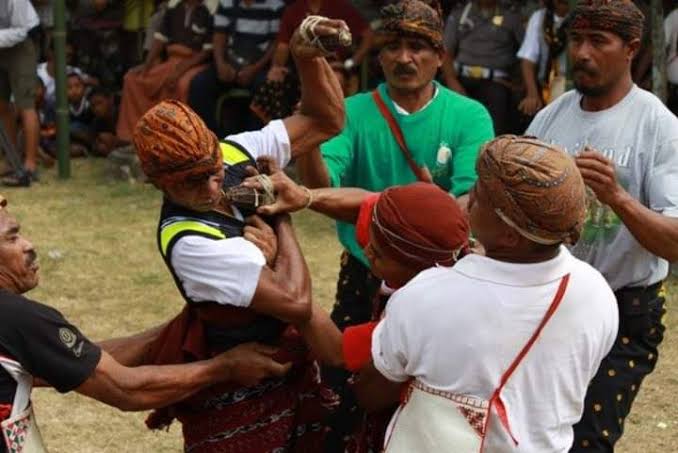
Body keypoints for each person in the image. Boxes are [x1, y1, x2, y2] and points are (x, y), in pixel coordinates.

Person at [131, 17, 346, 452]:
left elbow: (325, 120)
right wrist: (279, 213)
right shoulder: (189, 241)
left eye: (212, 172)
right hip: (237, 401)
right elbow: (296, 302)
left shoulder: (233, 151)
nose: (213, 188)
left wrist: (306, 57)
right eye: (192, 183)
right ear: (159, 183)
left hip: (292, 378)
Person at [294, 1, 493, 448]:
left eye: (419, 47)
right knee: (344, 392)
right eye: (394, 47)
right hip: (365, 274)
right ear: (379, 55)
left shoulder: (470, 116)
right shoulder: (349, 113)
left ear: (440, 56)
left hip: (443, 280)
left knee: (428, 401)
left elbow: (466, 203)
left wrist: (424, 206)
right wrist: (309, 137)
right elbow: (324, 189)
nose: (405, 58)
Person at [354, 135, 619, 452]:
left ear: (509, 236)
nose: (469, 198)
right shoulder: (597, 293)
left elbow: (372, 393)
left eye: (479, 197)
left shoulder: (427, 294)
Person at [0, 194, 291, 453]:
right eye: (12, 238)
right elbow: (125, 389)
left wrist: (194, 320)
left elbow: (74, 361)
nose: (29, 245)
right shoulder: (18, 319)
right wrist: (224, 367)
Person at [525, 1, 678, 450]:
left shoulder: (659, 127)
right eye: (576, 40)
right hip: (547, 305)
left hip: (624, 312)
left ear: (631, 48)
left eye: (598, 41)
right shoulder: (550, 118)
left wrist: (616, 196)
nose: (582, 53)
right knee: (534, 436)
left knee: (588, 441)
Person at [242, 159, 470, 451]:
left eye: (378, 253)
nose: (367, 251)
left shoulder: (424, 311)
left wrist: (283, 258)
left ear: (416, 268)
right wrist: (303, 196)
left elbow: (337, 351)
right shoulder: (413, 236)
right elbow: (366, 204)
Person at [253, 0, 373, 122]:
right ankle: (285, 131)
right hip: (300, 67)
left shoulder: (341, 7)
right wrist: (276, 66)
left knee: (336, 79)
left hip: (334, 66)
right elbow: (283, 45)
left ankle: (335, 124)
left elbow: (368, 35)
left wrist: (351, 63)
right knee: (273, 81)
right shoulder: (294, 9)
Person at [115, 0, 213, 142]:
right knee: (132, 78)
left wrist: (180, 70)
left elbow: (206, 52)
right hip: (171, 60)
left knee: (182, 85)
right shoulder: (174, 8)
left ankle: (177, 140)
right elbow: (160, 39)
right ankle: (135, 137)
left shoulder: (209, 11)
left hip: (194, 63)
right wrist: (147, 65)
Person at [187, 0, 286, 135]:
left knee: (266, 89)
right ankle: (208, 139)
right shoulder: (227, 3)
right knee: (199, 84)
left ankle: (254, 144)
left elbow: (276, 44)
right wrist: (221, 64)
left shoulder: (276, 5)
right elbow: (219, 36)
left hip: (259, 66)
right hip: (230, 63)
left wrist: (254, 69)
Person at [442, 0, 524, 134]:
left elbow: (526, 54)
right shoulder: (460, 13)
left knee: (495, 122)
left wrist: (519, 84)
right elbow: (445, 52)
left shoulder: (511, 16)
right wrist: (452, 82)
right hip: (460, 78)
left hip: (495, 82)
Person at [0, 0, 41, 187]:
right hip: (1, 42)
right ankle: (11, 161)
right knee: (1, 104)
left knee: (26, 105)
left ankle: (30, 166)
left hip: (22, 43)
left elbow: (20, 30)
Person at [517, 0, 570, 117]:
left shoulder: (582, 18)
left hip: (572, 83)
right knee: (526, 109)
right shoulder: (539, 17)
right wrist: (532, 94)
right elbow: (528, 60)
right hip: (545, 85)